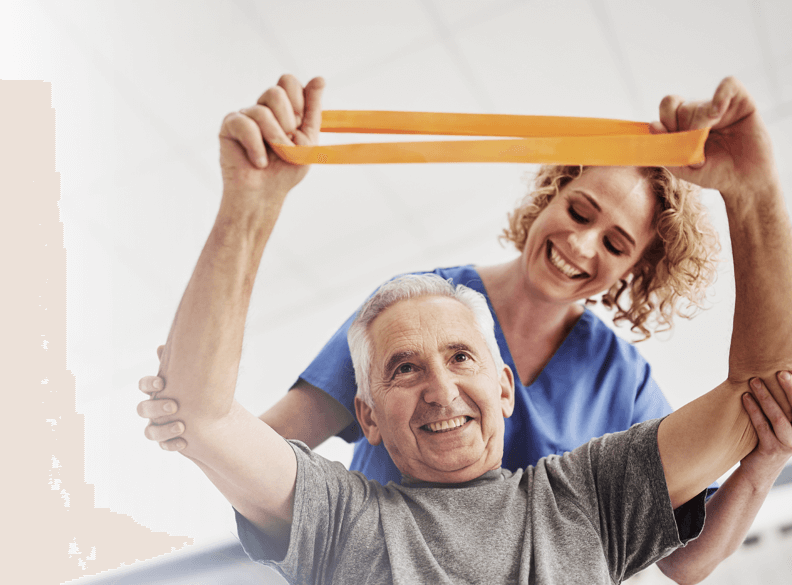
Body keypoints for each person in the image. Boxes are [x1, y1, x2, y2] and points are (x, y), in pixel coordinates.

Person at [139, 76, 792, 583]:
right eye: (405, 367)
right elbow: (230, 427)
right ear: (367, 413)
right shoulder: (402, 314)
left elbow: (756, 404)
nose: (443, 391)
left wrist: (753, 192)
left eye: (615, 243)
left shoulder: (591, 484)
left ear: (503, 385)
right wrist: (200, 407)